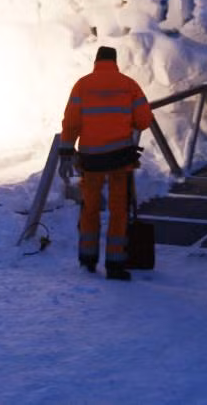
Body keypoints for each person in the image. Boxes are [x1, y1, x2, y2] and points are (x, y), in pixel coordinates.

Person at [57, 45, 152, 281]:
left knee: (90, 209)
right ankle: (115, 265)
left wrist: (66, 150)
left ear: (96, 61)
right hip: (120, 158)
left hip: (90, 159)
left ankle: (87, 260)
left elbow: (71, 120)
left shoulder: (83, 84)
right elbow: (144, 120)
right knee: (119, 210)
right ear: (115, 61)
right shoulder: (128, 84)